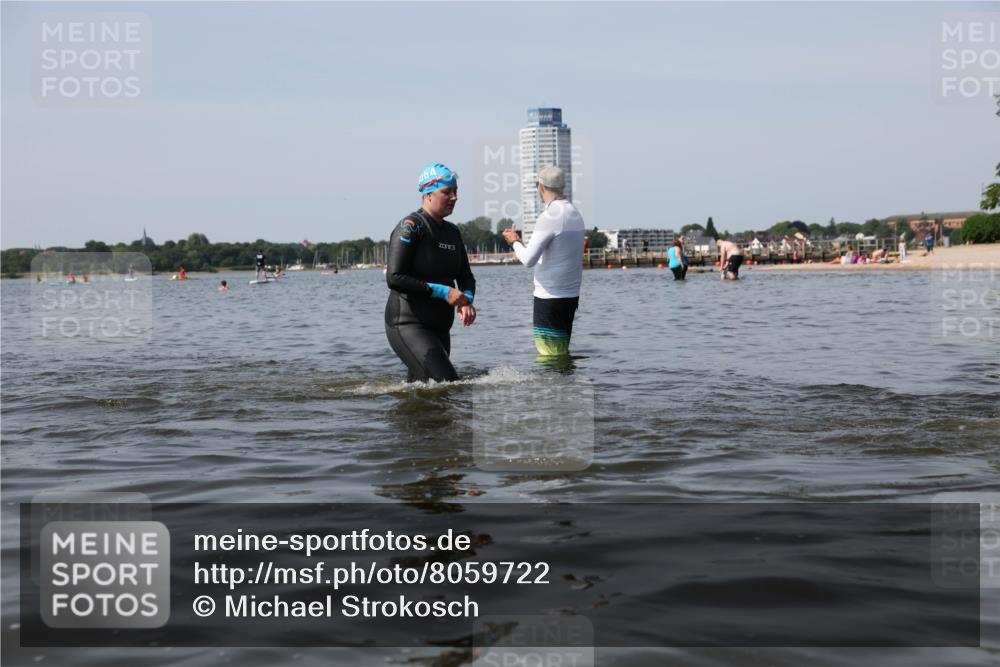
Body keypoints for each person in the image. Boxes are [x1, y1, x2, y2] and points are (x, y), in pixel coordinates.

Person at [385, 162, 476, 382]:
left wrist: (466, 300)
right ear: (428, 194)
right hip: (408, 324)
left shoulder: (453, 232)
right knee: (449, 385)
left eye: (456, 191)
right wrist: (446, 292)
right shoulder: (411, 227)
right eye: (447, 192)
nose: (454, 197)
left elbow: (466, 276)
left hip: (440, 328)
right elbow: (395, 278)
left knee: (426, 392)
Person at [502, 165, 585, 357]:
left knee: (548, 356)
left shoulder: (549, 215)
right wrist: (521, 244)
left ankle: (551, 379)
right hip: (570, 295)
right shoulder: (574, 212)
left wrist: (514, 242)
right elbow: (555, 253)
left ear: (541, 187)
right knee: (561, 353)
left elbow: (528, 260)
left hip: (549, 297)